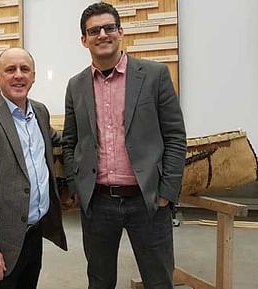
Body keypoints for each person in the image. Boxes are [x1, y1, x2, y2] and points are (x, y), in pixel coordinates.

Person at [62, 3, 187, 289]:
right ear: (84, 40)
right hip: (98, 201)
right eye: (94, 30)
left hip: (148, 201)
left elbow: (175, 136)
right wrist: (77, 186)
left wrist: (167, 193)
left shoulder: (154, 75)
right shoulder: (75, 85)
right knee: (100, 281)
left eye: (109, 28)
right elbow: (71, 141)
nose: (102, 34)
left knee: (158, 280)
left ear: (121, 32)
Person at [0, 47, 67, 289]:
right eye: (10, 69)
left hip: (33, 235)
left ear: (34, 76)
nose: (18, 75)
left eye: (25, 69)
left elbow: (56, 140)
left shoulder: (40, 111)